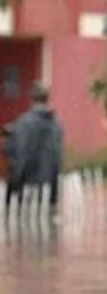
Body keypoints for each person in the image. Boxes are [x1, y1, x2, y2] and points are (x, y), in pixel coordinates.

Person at [5, 82, 64, 213]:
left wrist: (15, 183)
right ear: (47, 99)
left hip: (28, 187)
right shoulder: (56, 125)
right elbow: (58, 158)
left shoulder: (23, 123)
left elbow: (19, 155)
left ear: (31, 99)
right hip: (50, 187)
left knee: (24, 226)